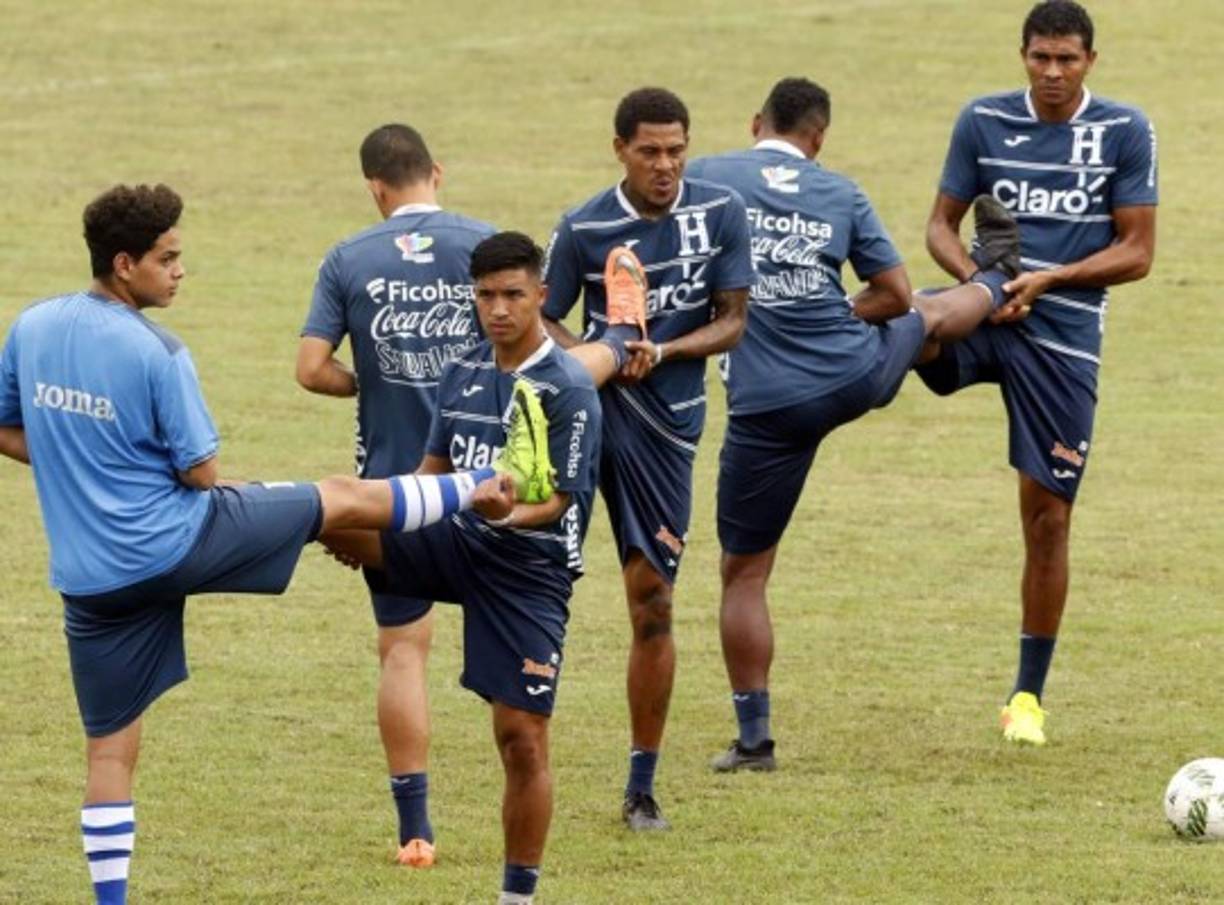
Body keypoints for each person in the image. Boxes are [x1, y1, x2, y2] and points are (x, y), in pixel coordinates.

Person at [0, 185, 554, 905]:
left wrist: (86, 463)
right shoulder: (158, 351)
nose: (180, 271)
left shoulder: (33, 325)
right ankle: (484, 483)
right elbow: (201, 473)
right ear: (125, 262)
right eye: (168, 259)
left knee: (108, 747)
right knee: (336, 496)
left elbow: (8, 426)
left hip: (90, 577)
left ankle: (111, 900)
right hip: (179, 539)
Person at [685, 78, 1027, 771]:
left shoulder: (704, 178)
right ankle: (996, 281)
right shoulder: (840, 190)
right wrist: (838, 310)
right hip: (850, 378)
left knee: (743, 574)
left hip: (764, 407)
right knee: (924, 313)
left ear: (756, 124)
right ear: (818, 137)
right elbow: (895, 293)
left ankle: (754, 742)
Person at [320, 231, 602, 905]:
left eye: (512, 294)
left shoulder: (568, 387)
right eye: (485, 295)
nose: (498, 309)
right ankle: (222, 524)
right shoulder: (462, 373)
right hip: (455, 540)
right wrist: (372, 530)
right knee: (339, 510)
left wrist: (505, 510)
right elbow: (428, 478)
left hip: (527, 568)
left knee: (521, 740)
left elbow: (560, 500)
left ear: (540, 295)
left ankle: (516, 897)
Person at [921, 0, 1157, 745]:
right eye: (1040, 58)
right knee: (910, 323)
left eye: (1067, 59)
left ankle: (1027, 698)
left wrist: (1046, 281)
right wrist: (980, 281)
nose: (1052, 72)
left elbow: (1138, 251)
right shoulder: (983, 122)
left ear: (1091, 61)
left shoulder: (1124, 130)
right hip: (990, 310)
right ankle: (808, 377)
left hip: (1063, 336)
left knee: (1048, 519)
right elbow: (938, 227)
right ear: (1022, 55)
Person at [540, 86, 755, 830]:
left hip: (668, 430)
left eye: (676, 150)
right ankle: (524, 743)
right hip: (588, 420)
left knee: (653, 602)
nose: (665, 165)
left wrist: (663, 348)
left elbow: (732, 322)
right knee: (540, 586)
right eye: (649, 151)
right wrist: (591, 357)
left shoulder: (721, 212)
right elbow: (541, 314)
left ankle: (641, 786)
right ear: (620, 150)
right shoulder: (584, 225)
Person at [296, 123, 494, 867]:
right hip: (487, 483)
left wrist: (370, 380)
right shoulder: (486, 244)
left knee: (403, 651)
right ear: (435, 173)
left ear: (375, 187)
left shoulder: (349, 257)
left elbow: (311, 368)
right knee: (507, 635)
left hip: (394, 492)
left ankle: (416, 828)